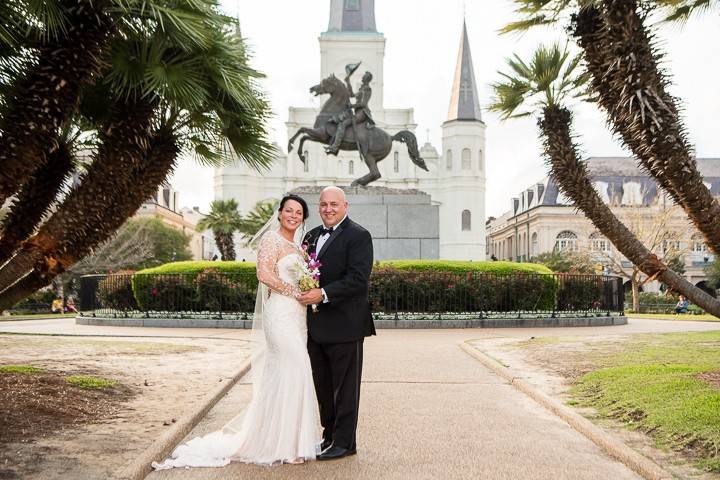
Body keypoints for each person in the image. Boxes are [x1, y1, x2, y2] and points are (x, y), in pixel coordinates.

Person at [152, 194, 320, 469]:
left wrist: (306, 290)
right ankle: (283, 443)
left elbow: (301, 278)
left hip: (297, 318)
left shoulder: (298, 247)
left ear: (303, 218)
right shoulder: (271, 240)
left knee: (289, 373)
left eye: (299, 212)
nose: (293, 215)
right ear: (279, 214)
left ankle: (288, 440)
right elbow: (263, 274)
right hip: (280, 314)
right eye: (288, 210)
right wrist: (294, 292)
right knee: (295, 368)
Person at [298, 186, 375, 460]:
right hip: (316, 327)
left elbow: (357, 279)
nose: (328, 209)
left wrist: (323, 294)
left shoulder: (359, 235)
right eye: (323, 204)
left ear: (345, 206)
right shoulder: (310, 236)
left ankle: (345, 442)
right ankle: (329, 436)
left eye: (334, 204)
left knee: (345, 389)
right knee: (324, 387)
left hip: (346, 326)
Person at [325, 70, 375, 156]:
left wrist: (352, 106)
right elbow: (351, 94)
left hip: (362, 113)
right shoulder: (362, 88)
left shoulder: (367, 89)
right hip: (357, 112)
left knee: (343, 124)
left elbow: (363, 103)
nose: (362, 77)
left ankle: (335, 147)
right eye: (363, 76)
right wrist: (348, 81)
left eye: (364, 76)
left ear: (367, 79)